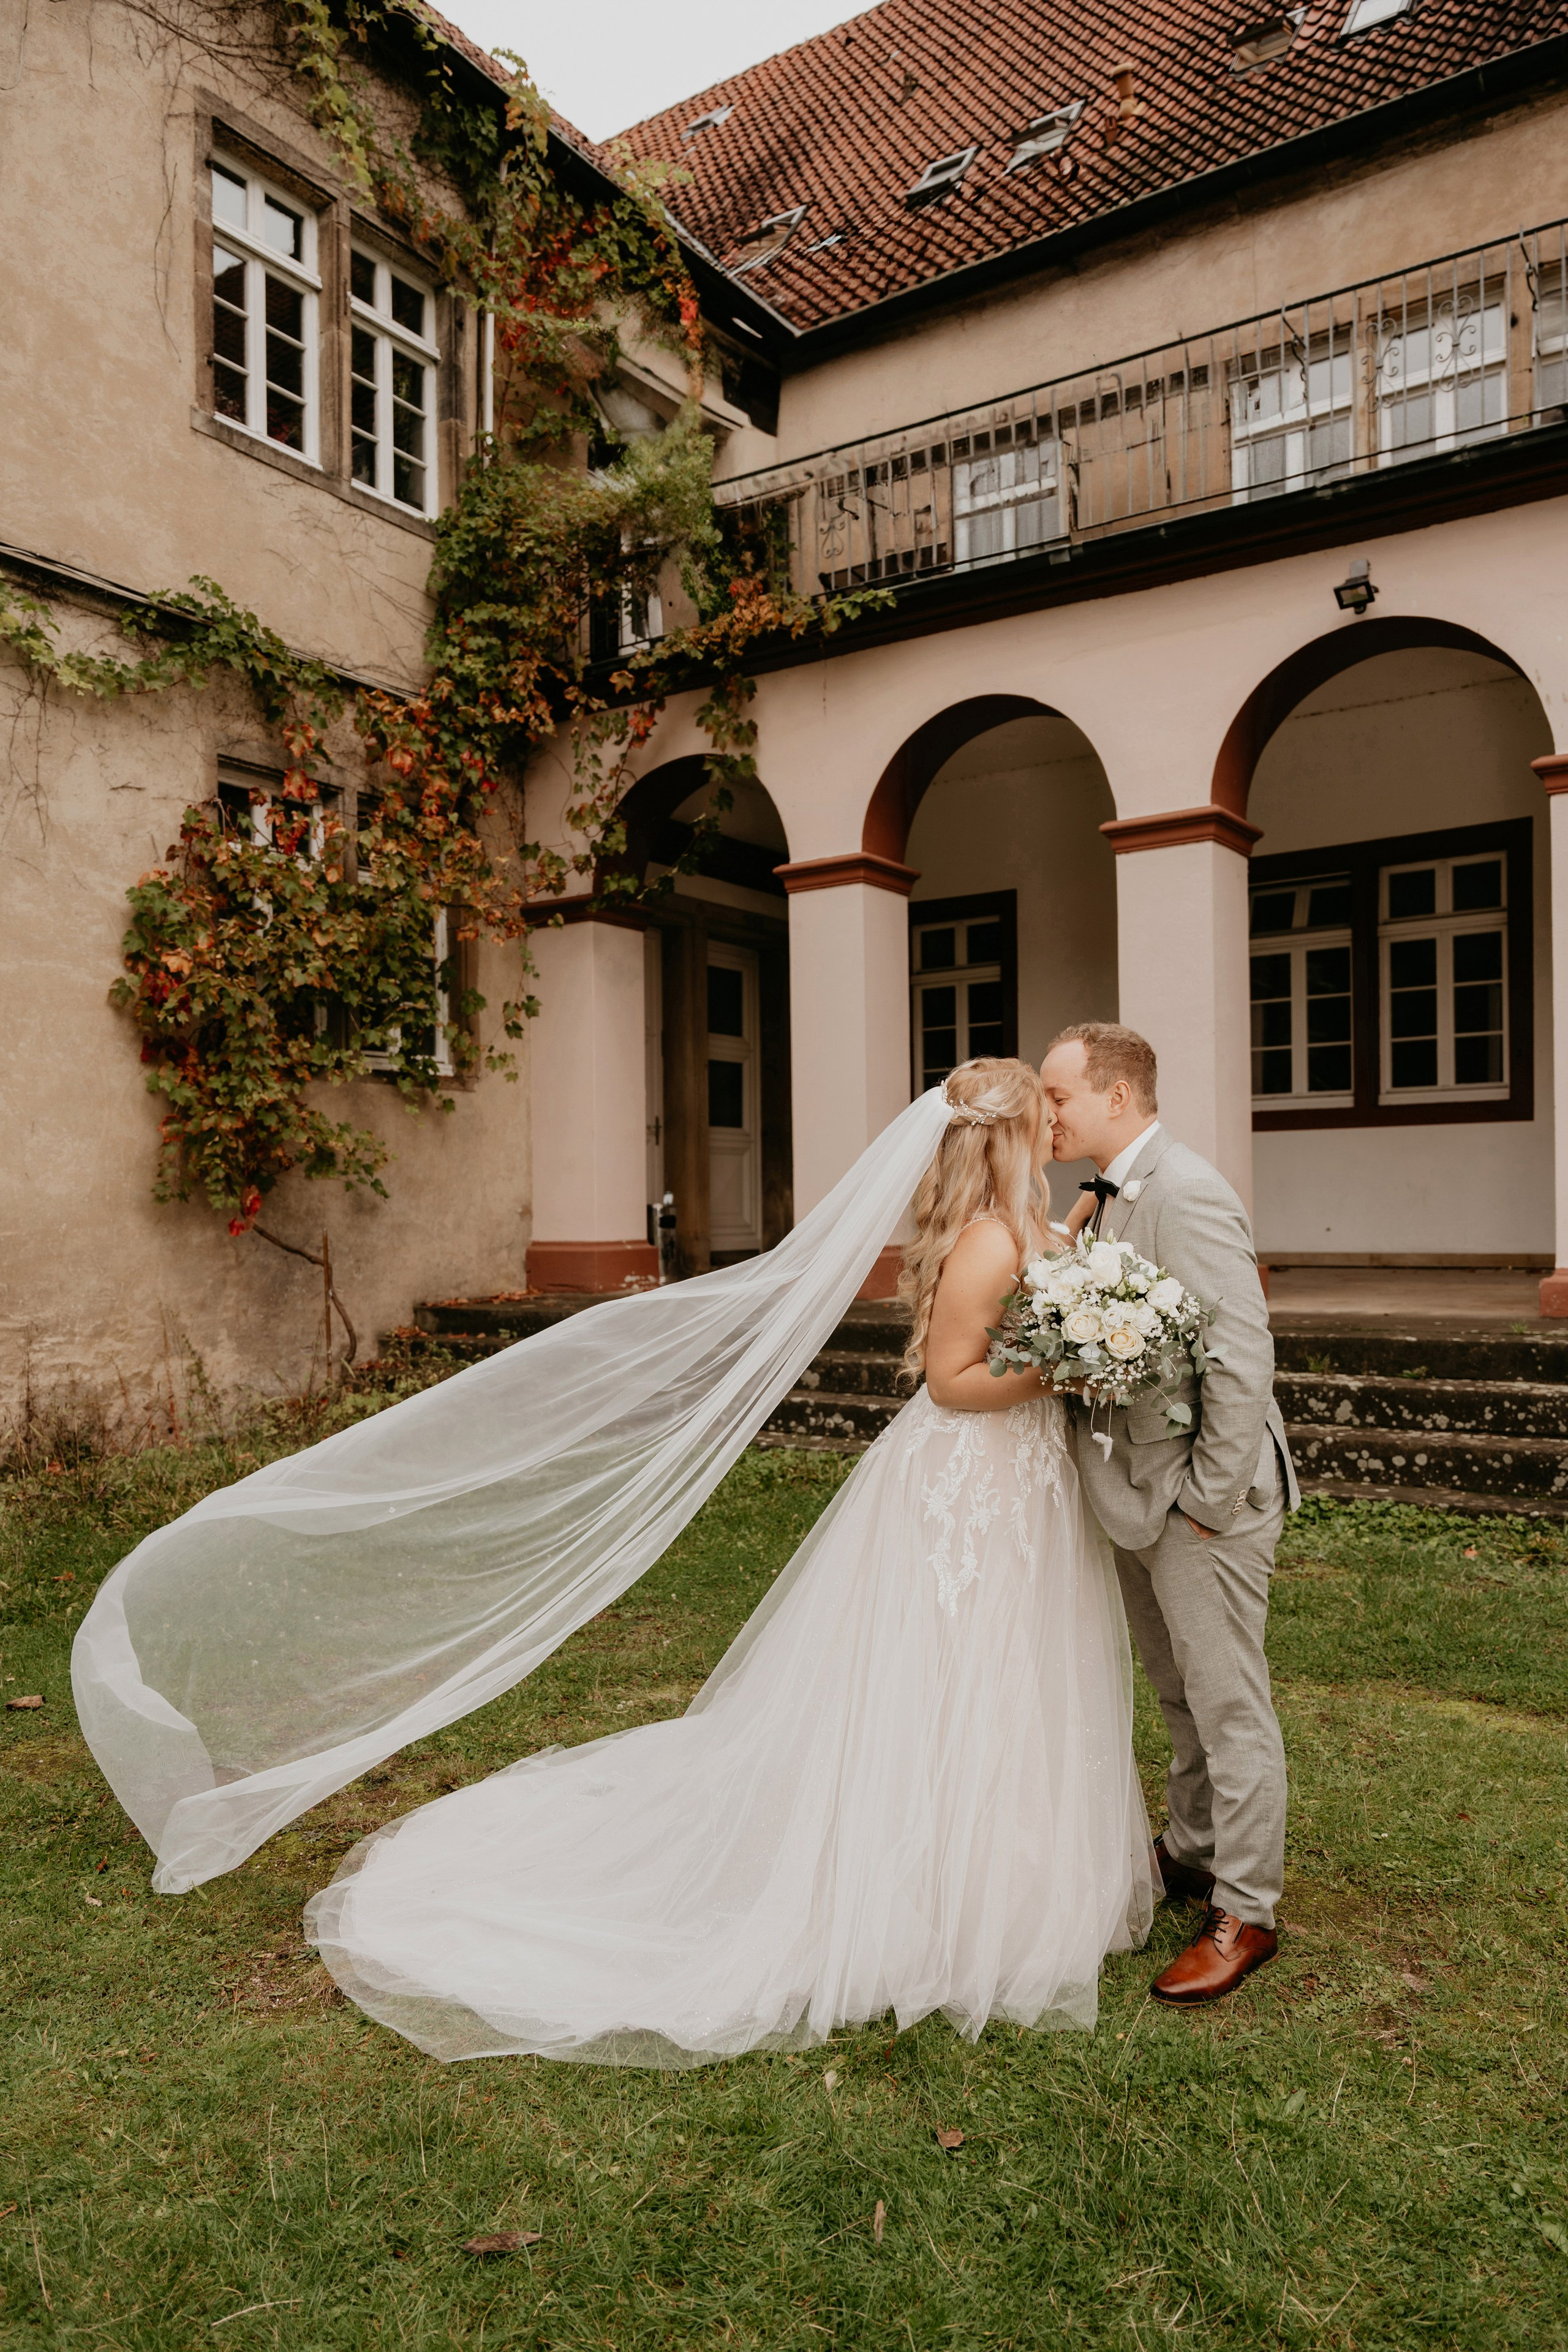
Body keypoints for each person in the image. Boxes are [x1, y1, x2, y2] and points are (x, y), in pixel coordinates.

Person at [303, 1058, 1159, 2064]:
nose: (1057, 1125)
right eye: (1043, 1112)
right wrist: (1064, 1366)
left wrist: (1096, 1336)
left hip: (1023, 1488)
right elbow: (953, 1383)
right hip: (972, 1486)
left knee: (1021, 1668)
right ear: (1008, 1139)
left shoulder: (1036, 1229)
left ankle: (1017, 1883)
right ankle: (930, 1898)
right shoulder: (984, 1241)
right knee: (951, 1669)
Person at [1039, 1022, 1299, 2007]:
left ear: (1116, 1096)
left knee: (1231, 1706)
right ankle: (1192, 1850)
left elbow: (1241, 1355)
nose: (1049, 1115)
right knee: (1179, 1696)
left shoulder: (1187, 1192)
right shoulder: (1106, 1198)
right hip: (1138, 1498)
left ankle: (1248, 1909)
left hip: (1201, 1505)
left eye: (1060, 1096)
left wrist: (1206, 1501)